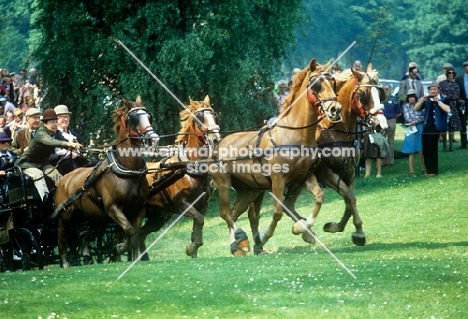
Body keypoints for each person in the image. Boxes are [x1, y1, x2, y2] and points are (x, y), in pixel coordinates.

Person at [14, 109, 82, 201]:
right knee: (38, 175)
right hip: (26, 163)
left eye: (55, 122)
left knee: (56, 175)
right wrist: (70, 144)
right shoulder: (41, 133)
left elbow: (64, 143)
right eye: (51, 122)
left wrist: (74, 146)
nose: (54, 124)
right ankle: (46, 200)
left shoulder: (56, 133)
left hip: (42, 162)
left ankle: (67, 196)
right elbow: (51, 142)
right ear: (45, 124)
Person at [414, 81, 451, 177]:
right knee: (425, 149)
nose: (433, 91)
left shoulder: (443, 99)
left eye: (434, 89)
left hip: (436, 127)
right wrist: (422, 100)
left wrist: (438, 102)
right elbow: (416, 108)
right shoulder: (427, 100)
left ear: (438, 90)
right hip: (427, 126)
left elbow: (448, 109)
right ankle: (428, 170)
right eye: (431, 89)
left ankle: (433, 171)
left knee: (432, 148)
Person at [50, 104, 88, 174]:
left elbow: (83, 152)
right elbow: (50, 156)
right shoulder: (52, 135)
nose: (65, 119)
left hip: (79, 163)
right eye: (60, 117)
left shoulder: (75, 135)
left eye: (66, 117)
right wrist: (67, 155)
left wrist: (79, 151)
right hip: (62, 165)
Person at [401, 89, 425, 176]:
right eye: (409, 97)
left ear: (415, 97)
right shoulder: (405, 105)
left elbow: (423, 116)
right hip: (410, 128)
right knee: (411, 151)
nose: (411, 99)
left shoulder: (420, 104)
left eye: (412, 97)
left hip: (420, 127)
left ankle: (423, 169)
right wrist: (414, 120)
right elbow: (407, 117)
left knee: (421, 150)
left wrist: (417, 120)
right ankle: (411, 171)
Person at [439, 67, 461, 152]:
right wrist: (446, 97)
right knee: (444, 126)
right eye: (449, 73)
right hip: (444, 106)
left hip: (453, 107)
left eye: (452, 73)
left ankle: (451, 145)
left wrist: (447, 96)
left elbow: (456, 96)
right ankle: (444, 145)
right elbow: (440, 94)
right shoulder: (442, 83)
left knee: (452, 127)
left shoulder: (456, 85)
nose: (451, 74)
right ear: (447, 74)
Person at [381, 85, 402, 166]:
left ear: (390, 90)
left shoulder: (394, 99)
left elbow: (399, 112)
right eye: (383, 89)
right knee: (381, 141)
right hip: (381, 120)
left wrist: (393, 119)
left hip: (391, 120)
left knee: (390, 141)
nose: (385, 91)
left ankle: (390, 161)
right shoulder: (380, 99)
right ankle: (382, 161)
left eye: (387, 89)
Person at [454, 61, 468, 149]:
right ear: (464, 68)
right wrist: (458, 99)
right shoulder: (459, 79)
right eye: (466, 66)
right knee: (462, 123)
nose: (467, 68)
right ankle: (463, 143)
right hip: (463, 102)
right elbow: (456, 92)